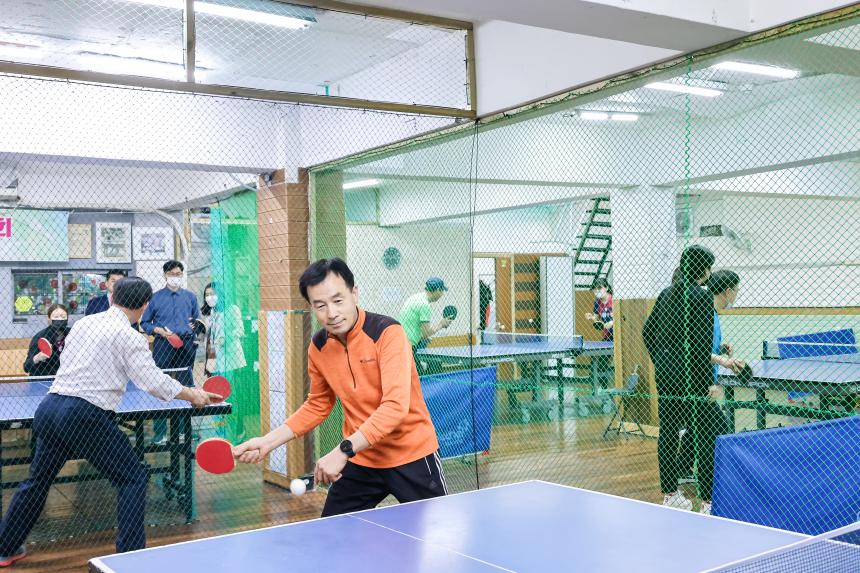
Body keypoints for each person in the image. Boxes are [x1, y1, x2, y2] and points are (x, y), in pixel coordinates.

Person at [0, 277, 220, 567]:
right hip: (83, 415)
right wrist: (193, 394)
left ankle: (6, 547)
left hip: (50, 409)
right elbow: (152, 382)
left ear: (113, 298)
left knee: (37, 480)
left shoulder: (84, 324)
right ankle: (129, 558)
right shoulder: (130, 337)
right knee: (132, 478)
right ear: (145, 306)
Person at [233, 258, 446, 517]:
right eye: (320, 305)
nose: (331, 313)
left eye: (338, 300)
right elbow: (318, 404)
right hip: (362, 457)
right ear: (311, 307)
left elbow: (394, 407)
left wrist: (343, 450)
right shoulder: (318, 346)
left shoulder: (387, 332)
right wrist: (267, 442)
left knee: (437, 534)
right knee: (331, 532)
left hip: (411, 455)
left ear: (354, 294)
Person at [643, 245, 736, 515]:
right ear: (704, 270)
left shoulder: (666, 294)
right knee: (708, 434)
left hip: (666, 376)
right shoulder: (702, 297)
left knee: (669, 431)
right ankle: (707, 502)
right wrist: (709, 382)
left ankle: (670, 495)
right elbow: (700, 346)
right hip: (692, 380)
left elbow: (648, 332)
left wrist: (662, 361)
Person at [139, 260, 200, 445]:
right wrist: (159, 331)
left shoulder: (190, 297)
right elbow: (145, 323)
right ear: (165, 275)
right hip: (163, 345)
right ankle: (160, 434)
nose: (175, 277)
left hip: (186, 345)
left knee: (185, 385)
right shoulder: (155, 298)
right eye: (172, 274)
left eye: (178, 274)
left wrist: (196, 326)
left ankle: (184, 431)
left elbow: (197, 321)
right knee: (160, 384)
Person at [200, 283, 246, 377]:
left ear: (220, 294)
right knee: (214, 382)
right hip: (213, 353)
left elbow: (240, 330)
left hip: (230, 354)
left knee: (229, 383)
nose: (209, 297)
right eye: (207, 295)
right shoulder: (211, 312)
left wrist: (226, 338)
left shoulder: (232, 309)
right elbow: (209, 335)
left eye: (212, 294)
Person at [23, 304, 71, 377]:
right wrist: (37, 358)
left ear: (67, 318)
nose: (59, 319)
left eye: (63, 317)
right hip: (42, 378)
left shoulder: (72, 333)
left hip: (65, 378)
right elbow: (26, 368)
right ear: (49, 319)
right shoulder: (40, 336)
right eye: (56, 317)